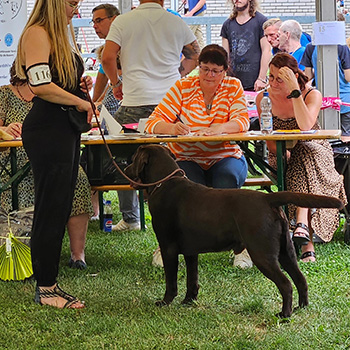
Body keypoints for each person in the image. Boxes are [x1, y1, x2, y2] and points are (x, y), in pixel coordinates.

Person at [145, 44, 252, 268]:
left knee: (227, 181)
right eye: (204, 69)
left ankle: (241, 248)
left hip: (225, 154)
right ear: (198, 67)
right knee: (182, 188)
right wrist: (172, 128)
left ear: (225, 70)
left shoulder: (233, 86)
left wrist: (220, 129)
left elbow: (243, 121)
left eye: (215, 71)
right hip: (188, 157)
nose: (209, 75)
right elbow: (152, 122)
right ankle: (169, 246)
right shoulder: (184, 86)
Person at [16, 0, 93, 309]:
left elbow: (56, 83)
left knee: (59, 208)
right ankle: (46, 288)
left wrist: (79, 87)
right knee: (51, 209)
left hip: (64, 130)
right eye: (72, 3)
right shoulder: (37, 33)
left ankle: (50, 284)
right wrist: (80, 102)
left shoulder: (60, 37)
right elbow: (40, 85)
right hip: (48, 131)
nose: (76, 10)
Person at [102, 0, 200, 232]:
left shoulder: (123, 21)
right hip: (170, 104)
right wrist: (178, 75)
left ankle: (130, 218)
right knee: (175, 159)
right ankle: (181, 214)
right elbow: (195, 53)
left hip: (134, 100)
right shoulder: (175, 21)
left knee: (126, 159)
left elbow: (107, 58)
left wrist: (116, 83)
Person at [0, 62, 93, 270]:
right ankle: (24, 251)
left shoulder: (59, 95)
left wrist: (85, 93)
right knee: (23, 183)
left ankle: (78, 255)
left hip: (56, 155)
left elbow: (84, 119)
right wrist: (6, 127)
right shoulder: (4, 94)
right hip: (14, 159)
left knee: (77, 177)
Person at [256, 53, 347, 263]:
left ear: (294, 76)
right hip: (280, 154)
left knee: (303, 152)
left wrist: (295, 91)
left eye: (279, 78)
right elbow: (269, 141)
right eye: (270, 77)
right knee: (296, 157)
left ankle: (301, 225)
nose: (273, 82)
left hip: (316, 151)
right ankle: (304, 235)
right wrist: (284, 150)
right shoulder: (264, 98)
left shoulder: (310, 94)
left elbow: (306, 126)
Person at [301, 12, 350, 143]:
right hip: (345, 100)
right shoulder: (343, 47)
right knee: (345, 138)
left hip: (320, 101)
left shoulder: (310, 47)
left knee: (323, 138)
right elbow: (348, 76)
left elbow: (307, 76)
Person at [220, 0, 270, 91]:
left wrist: (261, 78)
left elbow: (266, 50)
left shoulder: (261, 21)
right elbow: (224, 56)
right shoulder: (227, 24)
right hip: (233, 83)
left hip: (255, 84)